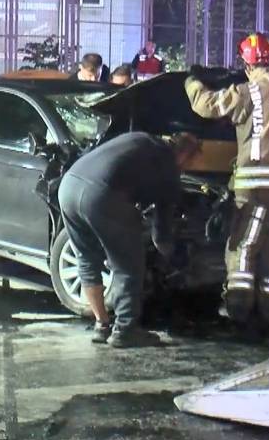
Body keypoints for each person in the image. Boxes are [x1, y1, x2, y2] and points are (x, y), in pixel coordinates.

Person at [186, 33, 269, 329]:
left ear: (247, 65)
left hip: (256, 190)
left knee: (244, 246)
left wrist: (192, 82)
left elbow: (206, 106)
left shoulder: (248, 91)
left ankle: (238, 310)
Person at [58, 132, 200, 348]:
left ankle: (102, 325)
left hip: (69, 185)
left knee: (87, 259)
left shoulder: (141, 138)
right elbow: (160, 234)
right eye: (190, 163)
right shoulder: (169, 169)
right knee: (128, 265)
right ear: (185, 156)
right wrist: (175, 256)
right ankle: (125, 330)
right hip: (100, 195)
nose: (188, 168)